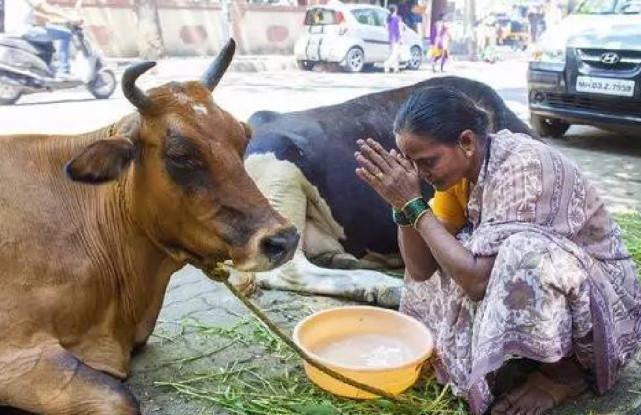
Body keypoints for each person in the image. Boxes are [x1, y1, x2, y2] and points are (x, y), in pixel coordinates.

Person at [354, 86, 641, 415]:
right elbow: (420, 271)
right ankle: (519, 358)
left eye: (427, 162)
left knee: (522, 251)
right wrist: (401, 207)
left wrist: (414, 205)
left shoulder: (524, 166)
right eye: (412, 164)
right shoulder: (460, 176)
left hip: (606, 299)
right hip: (565, 290)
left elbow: (477, 282)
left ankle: (565, 374)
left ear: (466, 142)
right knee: (443, 245)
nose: (420, 173)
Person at [5, 0, 81, 78]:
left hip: (18, 29)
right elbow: (44, 8)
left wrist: (61, 18)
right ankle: (64, 71)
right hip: (25, 30)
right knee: (65, 34)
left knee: (49, 41)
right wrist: (68, 16)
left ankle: (45, 72)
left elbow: (38, 15)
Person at [384, 4, 403, 73]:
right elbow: (400, 29)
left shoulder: (388, 18)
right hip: (396, 38)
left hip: (390, 38)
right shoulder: (398, 18)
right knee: (395, 54)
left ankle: (396, 68)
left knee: (393, 53)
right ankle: (387, 64)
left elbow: (386, 28)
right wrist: (401, 38)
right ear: (395, 10)